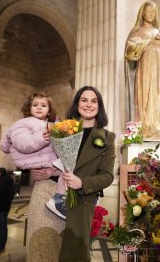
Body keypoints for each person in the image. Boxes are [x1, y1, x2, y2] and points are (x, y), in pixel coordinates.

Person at [59, 86, 116, 262]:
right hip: (54, 194)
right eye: (84, 100)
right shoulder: (63, 131)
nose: (88, 105)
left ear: (99, 106)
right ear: (77, 104)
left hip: (82, 200)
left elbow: (107, 176)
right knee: (49, 246)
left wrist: (81, 182)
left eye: (94, 101)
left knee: (73, 253)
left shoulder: (107, 137)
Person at [1, 93, 66, 219]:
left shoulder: (53, 123)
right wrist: (41, 137)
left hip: (50, 163)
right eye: (35, 105)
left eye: (43, 105)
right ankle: (58, 200)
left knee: (67, 172)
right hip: (36, 161)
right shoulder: (23, 123)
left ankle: (59, 198)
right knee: (65, 173)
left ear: (49, 110)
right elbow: (23, 144)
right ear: (29, 108)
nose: (39, 108)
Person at [125, 1, 160, 139]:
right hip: (146, 68)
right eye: (148, 12)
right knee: (147, 95)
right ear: (142, 13)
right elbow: (130, 54)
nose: (150, 14)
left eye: (153, 12)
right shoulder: (137, 31)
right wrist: (134, 50)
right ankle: (146, 128)